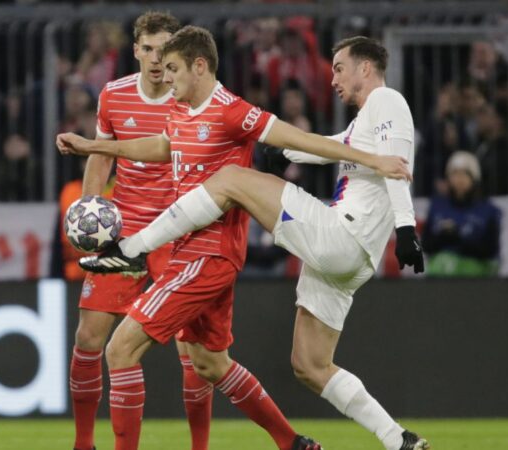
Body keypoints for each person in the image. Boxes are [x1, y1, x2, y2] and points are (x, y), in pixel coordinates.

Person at [57, 27, 412, 450]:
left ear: (199, 66)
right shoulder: (180, 110)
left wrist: (376, 167)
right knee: (222, 363)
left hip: (208, 255)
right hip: (198, 250)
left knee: (120, 351)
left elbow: (303, 138)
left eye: (172, 67)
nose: (165, 77)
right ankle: (302, 442)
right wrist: (97, 147)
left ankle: (131, 249)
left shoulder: (232, 110)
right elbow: (162, 146)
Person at [65, 12, 218, 450]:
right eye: (147, 49)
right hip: (125, 231)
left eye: (163, 50)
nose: (155, 60)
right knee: (89, 337)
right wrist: (90, 213)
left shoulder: (189, 98)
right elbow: (100, 156)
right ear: (134, 50)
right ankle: (82, 443)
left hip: (180, 230)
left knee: (193, 353)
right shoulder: (113, 95)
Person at [423, 151, 502, 277]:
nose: (459, 180)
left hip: (474, 277)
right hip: (439, 275)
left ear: (474, 178)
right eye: (455, 174)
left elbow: (490, 250)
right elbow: (426, 244)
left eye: (465, 174)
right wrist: (442, 237)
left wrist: (459, 238)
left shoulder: (488, 211)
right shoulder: (437, 206)